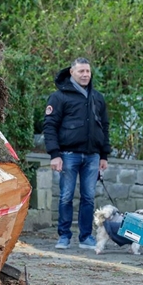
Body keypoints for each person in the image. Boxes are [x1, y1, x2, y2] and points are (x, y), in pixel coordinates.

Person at [43, 58, 111, 250]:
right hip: (67, 155)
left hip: (92, 156)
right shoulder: (59, 97)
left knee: (89, 197)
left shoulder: (97, 98)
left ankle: (86, 237)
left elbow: (104, 127)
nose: (85, 75)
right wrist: (54, 154)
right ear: (72, 72)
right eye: (81, 71)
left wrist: (104, 155)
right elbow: (49, 126)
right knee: (66, 196)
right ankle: (64, 236)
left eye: (88, 71)